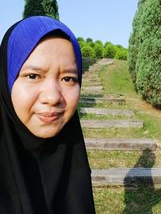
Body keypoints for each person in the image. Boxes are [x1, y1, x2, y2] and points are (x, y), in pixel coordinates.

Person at [0, 16, 96, 214]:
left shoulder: (74, 164)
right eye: (33, 76)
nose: (53, 97)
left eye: (68, 78)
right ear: (6, 81)